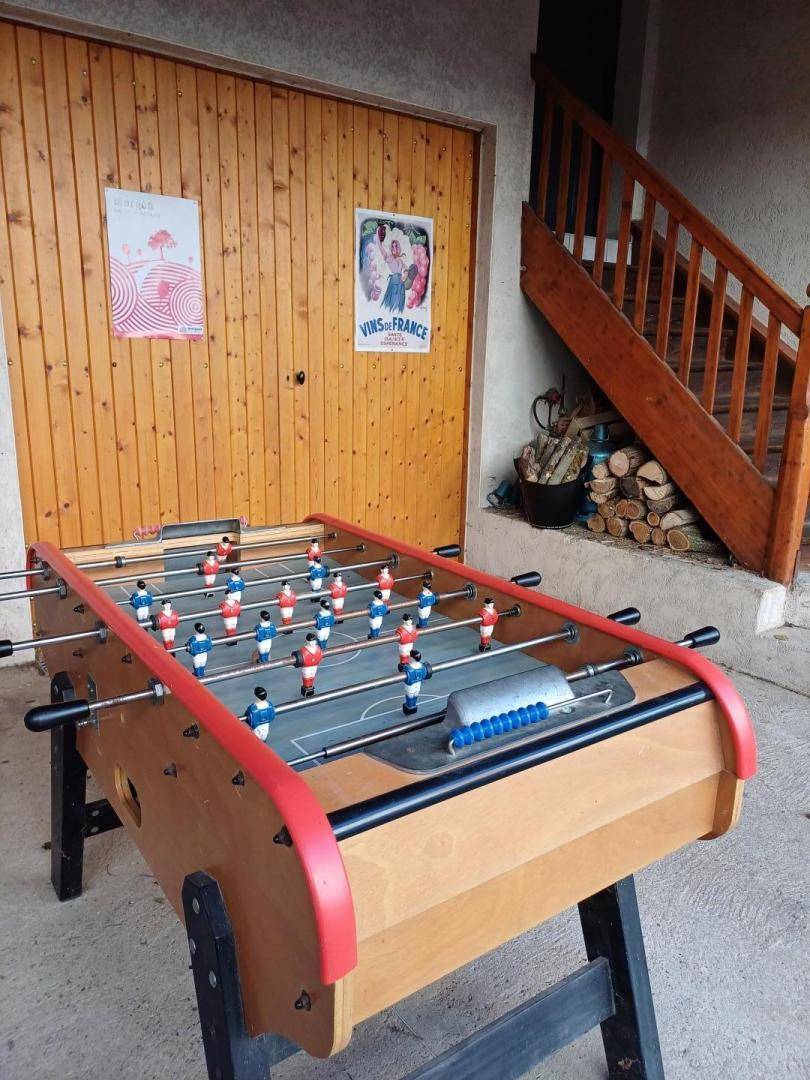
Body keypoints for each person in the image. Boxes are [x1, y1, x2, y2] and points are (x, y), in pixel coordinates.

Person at [375, 225, 409, 314]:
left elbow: (406, 268)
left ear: (398, 248)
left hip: (400, 284)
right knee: (392, 302)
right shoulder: (389, 258)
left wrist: (405, 275)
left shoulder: (400, 259)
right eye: (392, 246)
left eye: (395, 246)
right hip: (393, 282)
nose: (394, 248)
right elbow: (380, 247)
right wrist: (378, 235)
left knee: (399, 303)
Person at [402, 649, 430, 715]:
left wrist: (402, 666)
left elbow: (403, 670)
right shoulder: (422, 666)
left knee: (410, 695)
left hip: (411, 685)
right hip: (418, 684)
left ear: (412, 658)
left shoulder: (407, 668)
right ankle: (413, 706)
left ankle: (410, 706)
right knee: (415, 694)